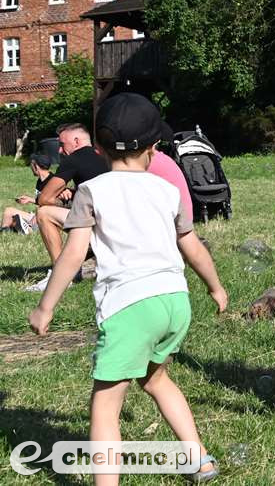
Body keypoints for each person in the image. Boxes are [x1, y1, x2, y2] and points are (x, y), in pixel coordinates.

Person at [28, 92, 228, 485]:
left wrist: (45, 307)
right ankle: (199, 459)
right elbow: (191, 246)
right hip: (173, 302)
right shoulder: (167, 191)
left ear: (98, 148)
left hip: (130, 307)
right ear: (155, 148)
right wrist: (216, 287)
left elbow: (72, 255)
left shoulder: (92, 191)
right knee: (156, 378)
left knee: (104, 405)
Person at [27, 123, 110, 291]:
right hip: (118, 228)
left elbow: (44, 198)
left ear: (76, 141)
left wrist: (61, 195)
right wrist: (74, 192)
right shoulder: (106, 156)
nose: (59, 150)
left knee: (44, 213)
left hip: (98, 227)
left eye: (61, 144)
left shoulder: (74, 159)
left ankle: (60, 276)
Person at [1, 153, 65, 234]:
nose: (31, 167)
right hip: (38, 215)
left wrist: (38, 214)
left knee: (26, 223)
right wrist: (30, 200)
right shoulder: (40, 181)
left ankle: (24, 227)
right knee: (8, 211)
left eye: (32, 164)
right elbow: (43, 200)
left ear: (36, 167)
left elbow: (58, 204)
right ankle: (5, 232)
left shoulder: (54, 181)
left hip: (49, 219)